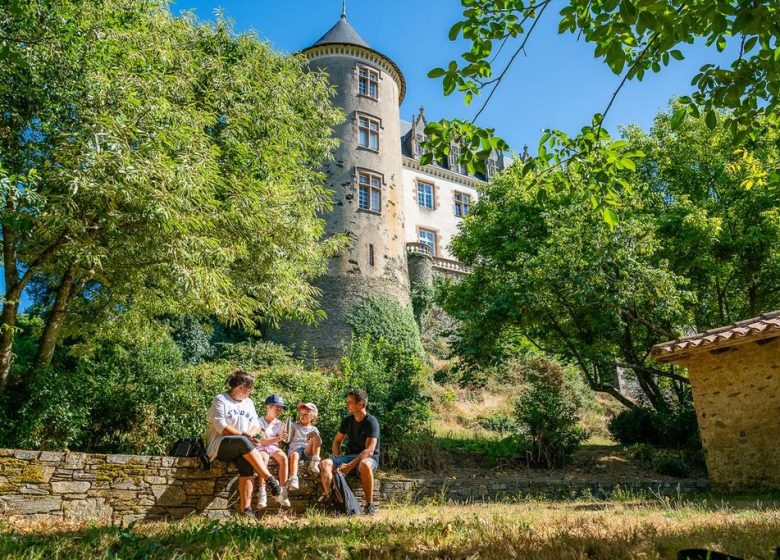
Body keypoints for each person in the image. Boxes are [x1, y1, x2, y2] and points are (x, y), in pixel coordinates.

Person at [205, 370, 283, 517]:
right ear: (240, 387)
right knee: (242, 441)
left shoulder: (249, 403)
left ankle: (246, 510)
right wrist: (244, 436)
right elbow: (221, 427)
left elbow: (255, 425)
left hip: (242, 445)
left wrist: (252, 436)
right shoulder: (221, 399)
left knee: (247, 467)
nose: (251, 391)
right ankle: (270, 479)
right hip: (220, 445)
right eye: (250, 388)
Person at [320, 388, 380, 515]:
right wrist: (336, 456)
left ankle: (369, 505)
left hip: (367, 459)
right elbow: (337, 441)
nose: (347, 404)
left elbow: (368, 451)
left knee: (365, 464)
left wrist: (349, 466)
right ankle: (332, 502)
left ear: (361, 404)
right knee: (325, 463)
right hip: (349, 457)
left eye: (350, 402)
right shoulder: (347, 421)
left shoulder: (371, 422)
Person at [254, 394, 291, 507]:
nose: (279, 411)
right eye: (276, 408)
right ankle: (262, 492)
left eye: (280, 410)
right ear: (268, 407)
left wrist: (285, 436)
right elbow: (261, 441)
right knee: (263, 459)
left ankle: (283, 492)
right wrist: (278, 438)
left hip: (273, 448)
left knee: (284, 458)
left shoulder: (280, 424)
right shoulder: (258, 422)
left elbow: (285, 441)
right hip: (261, 447)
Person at [287, 402, 323, 491]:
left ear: (313, 417)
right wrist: (285, 436)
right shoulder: (294, 426)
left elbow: (319, 442)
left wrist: (314, 435)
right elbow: (288, 439)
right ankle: (293, 478)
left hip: (307, 450)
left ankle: (315, 461)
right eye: (301, 414)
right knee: (295, 455)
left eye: (306, 415)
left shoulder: (314, 429)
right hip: (295, 449)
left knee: (316, 436)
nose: (302, 416)